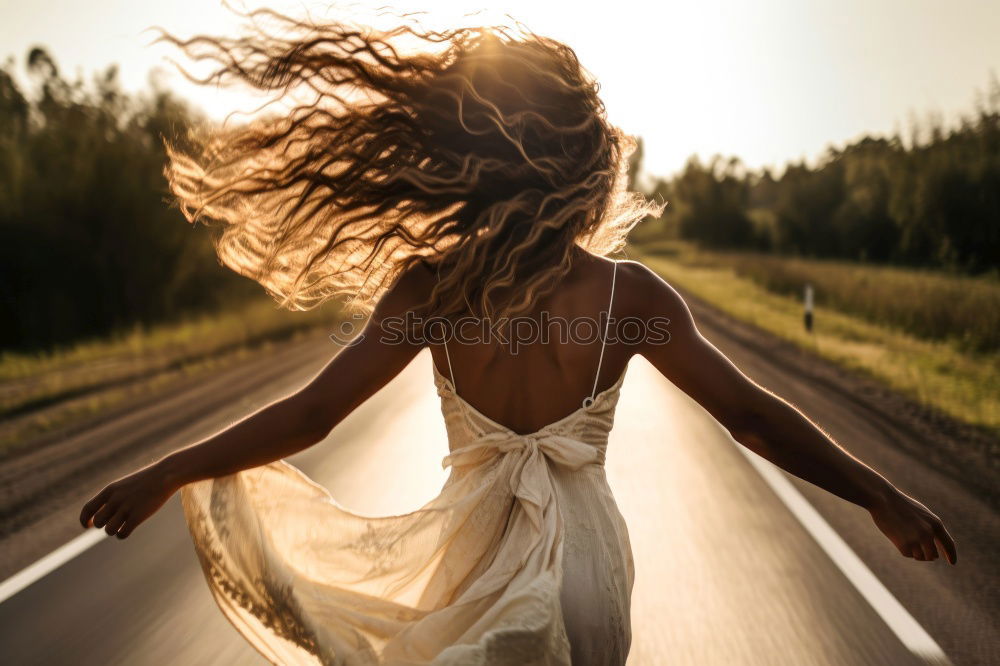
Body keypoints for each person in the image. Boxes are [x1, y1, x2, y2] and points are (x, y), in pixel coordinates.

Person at [80, 8, 956, 665]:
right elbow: (752, 417)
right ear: (584, 167)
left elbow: (311, 418)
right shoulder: (630, 297)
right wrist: (881, 495)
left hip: (469, 559)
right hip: (589, 565)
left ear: (474, 167)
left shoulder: (433, 290)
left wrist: (166, 471)